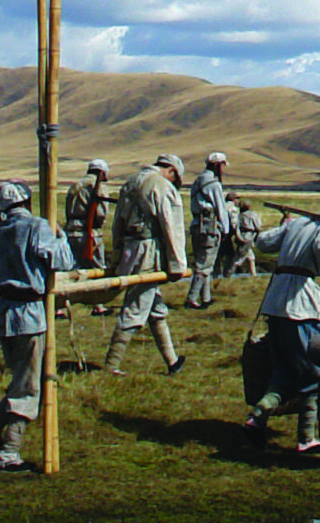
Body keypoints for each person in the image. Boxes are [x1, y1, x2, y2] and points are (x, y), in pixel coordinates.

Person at [246, 181, 320, 454]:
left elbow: (263, 243)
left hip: (275, 302)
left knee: (283, 372)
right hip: (298, 306)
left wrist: (285, 225)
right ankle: (306, 439)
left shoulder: (298, 222)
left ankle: (256, 419)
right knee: (314, 370)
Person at [0, 179, 74, 469]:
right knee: (28, 385)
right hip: (28, 312)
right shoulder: (36, 227)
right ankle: (10, 451)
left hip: (4, 312)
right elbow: (62, 261)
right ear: (27, 202)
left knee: (22, 377)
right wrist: (61, 238)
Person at [104, 154, 190, 373]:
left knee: (155, 309)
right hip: (147, 252)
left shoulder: (131, 182)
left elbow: (118, 222)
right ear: (171, 171)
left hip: (129, 249)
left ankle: (172, 362)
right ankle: (110, 366)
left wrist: (116, 255)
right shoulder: (161, 186)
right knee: (135, 308)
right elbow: (172, 228)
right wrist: (177, 265)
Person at [60, 163, 112, 313]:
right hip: (90, 233)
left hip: (71, 231)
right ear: (102, 173)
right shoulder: (98, 187)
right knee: (97, 268)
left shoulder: (75, 185)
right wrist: (98, 224)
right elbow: (101, 213)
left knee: (71, 269)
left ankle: (62, 306)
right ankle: (98, 305)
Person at [186, 154, 233, 310]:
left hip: (196, 224)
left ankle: (205, 297)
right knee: (205, 263)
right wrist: (226, 229)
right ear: (217, 165)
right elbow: (221, 207)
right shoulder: (213, 184)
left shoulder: (197, 181)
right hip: (209, 226)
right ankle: (192, 298)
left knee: (205, 262)